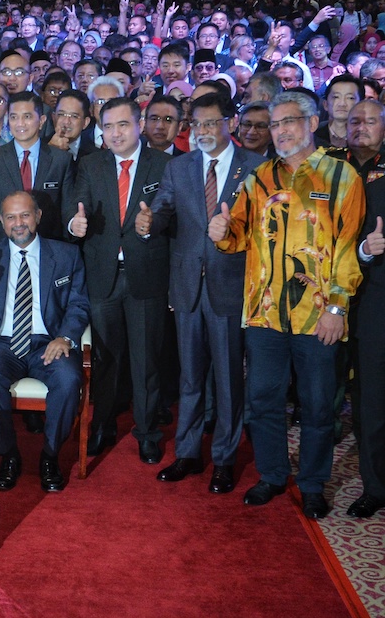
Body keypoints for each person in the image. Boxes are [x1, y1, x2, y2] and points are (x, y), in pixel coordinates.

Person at [208, 91, 365, 519]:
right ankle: (273, 475)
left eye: (288, 122)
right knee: (263, 401)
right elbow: (238, 237)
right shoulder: (258, 179)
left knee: (317, 406)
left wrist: (337, 307)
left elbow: (348, 246)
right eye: (274, 124)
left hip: (319, 315)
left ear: (312, 123)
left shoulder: (341, 177)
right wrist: (221, 229)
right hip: (263, 313)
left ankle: (313, 484)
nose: (279, 131)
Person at [139, 93, 266, 493]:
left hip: (231, 286)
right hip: (188, 287)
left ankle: (225, 460)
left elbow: (266, 229)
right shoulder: (180, 167)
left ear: (230, 122)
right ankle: (189, 454)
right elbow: (164, 211)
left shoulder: (256, 167)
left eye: (212, 123)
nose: (204, 131)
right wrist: (149, 222)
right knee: (190, 379)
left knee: (229, 380)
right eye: (197, 125)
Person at [0, 192, 89, 491]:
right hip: (4, 342)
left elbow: (79, 304)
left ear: (38, 216)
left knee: (70, 379)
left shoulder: (65, 254)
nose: (18, 224)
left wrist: (66, 337)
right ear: (1, 222)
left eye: (25, 216)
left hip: (49, 341)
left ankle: (50, 455)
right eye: (10, 217)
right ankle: (9, 455)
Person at [68, 97, 172, 464]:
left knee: (146, 361)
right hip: (102, 276)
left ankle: (147, 432)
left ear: (139, 124)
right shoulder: (91, 164)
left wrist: (154, 223)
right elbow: (75, 207)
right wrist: (74, 224)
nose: (115, 133)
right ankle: (103, 427)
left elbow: (174, 215)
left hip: (147, 274)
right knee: (105, 359)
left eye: (122, 125)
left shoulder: (164, 164)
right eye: (107, 126)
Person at [0, 91, 74, 242]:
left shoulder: (61, 160)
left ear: (41, 121)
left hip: (48, 247)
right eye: (14, 117)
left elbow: (67, 208)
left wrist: (73, 225)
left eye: (27, 117)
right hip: (2, 247)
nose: (20, 123)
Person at [352, 99, 385, 519]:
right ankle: (373, 483)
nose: (361, 126)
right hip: (356, 298)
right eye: (355, 120)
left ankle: (377, 485)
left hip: (376, 296)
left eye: (371, 120)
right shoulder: (335, 167)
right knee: (367, 399)